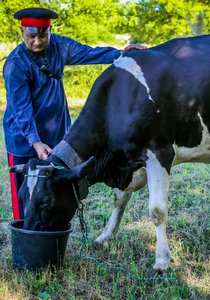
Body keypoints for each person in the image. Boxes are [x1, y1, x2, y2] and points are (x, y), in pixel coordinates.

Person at [3, 7, 147, 220]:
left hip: (55, 136)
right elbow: (21, 109)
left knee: (53, 188)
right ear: (22, 31)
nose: (37, 41)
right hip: (25, 141)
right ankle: (24, 236)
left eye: (42, 35)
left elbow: (89, 53)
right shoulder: (16, 64)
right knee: (25, 197)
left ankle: (53, 231)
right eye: (31, 36)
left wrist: (120, 53)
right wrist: (35, 142)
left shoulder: (59, 46)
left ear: (49, 31)